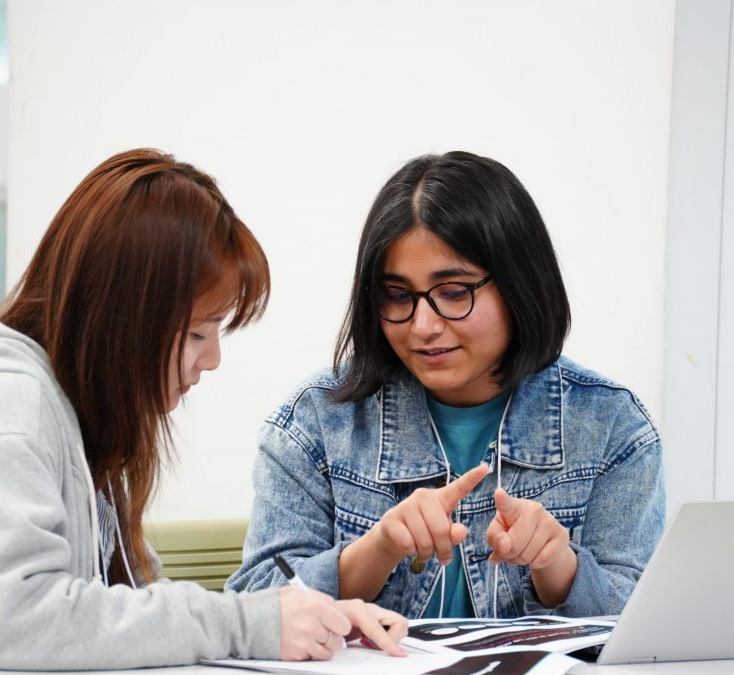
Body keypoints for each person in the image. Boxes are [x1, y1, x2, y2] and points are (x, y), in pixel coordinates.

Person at [0, 148, 406, 675]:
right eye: (197, 333)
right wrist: (250, 624)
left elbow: (117, 618)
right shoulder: (8, 406)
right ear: (122, 318)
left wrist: (317, 619)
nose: (212, 359)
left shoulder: (75, 426)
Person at [227, 151, 665, 621]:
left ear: (520, 285)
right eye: (397, 295)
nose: (423, 326)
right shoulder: (314, 422)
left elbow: (646, 628)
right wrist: (379, 548)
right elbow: (254, 609)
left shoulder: (612, 427)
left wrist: (557, 566)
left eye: (454, 292)